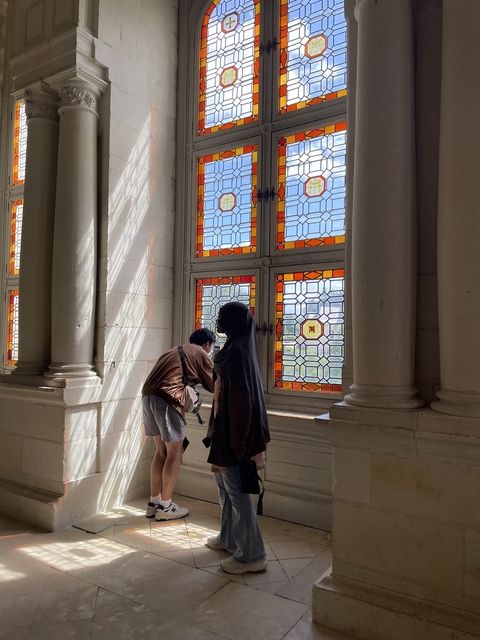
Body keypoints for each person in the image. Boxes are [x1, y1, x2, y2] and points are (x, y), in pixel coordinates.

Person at [205, 302, 270, 574]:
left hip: (234, 437)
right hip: (224, 432)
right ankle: (229, 537)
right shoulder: (233, 350)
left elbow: (242, 404)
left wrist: (238, 444)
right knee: (225, 489)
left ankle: (251, 555)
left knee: (238, 494)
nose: (218, 321)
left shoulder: (238, 353)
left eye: (222, 317)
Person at [142, 328, 215, 521]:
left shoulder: (171, 351)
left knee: (161, 452)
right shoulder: (200, 352)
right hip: (168, 399)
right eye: (211, 347)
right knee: (175, 452)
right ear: (207, 344)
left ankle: (154, 502)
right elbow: (214, 384)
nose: (210, 351)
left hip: (148, 398)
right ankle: (166, 506)